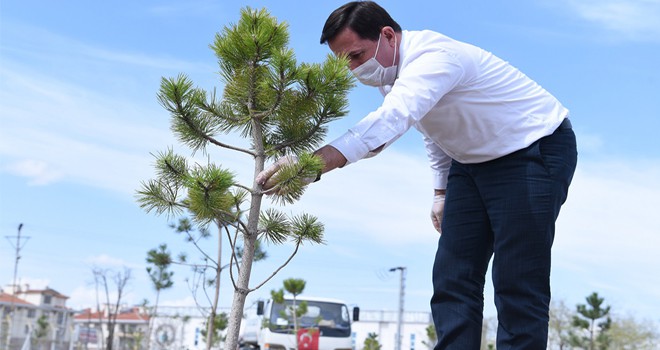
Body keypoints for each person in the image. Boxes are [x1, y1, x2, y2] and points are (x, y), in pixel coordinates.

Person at [257, 1, 577, 348]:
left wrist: (312, 164)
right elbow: (434, 132)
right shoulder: (392, 77)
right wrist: (440, 193)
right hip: (469, 164)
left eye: (356, 55)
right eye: (343, 61)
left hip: (531, 149)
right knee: (453, 278)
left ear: (388, 35)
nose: (351, 69)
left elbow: (392, 121)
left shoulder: (434, 58)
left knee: (516, 278)